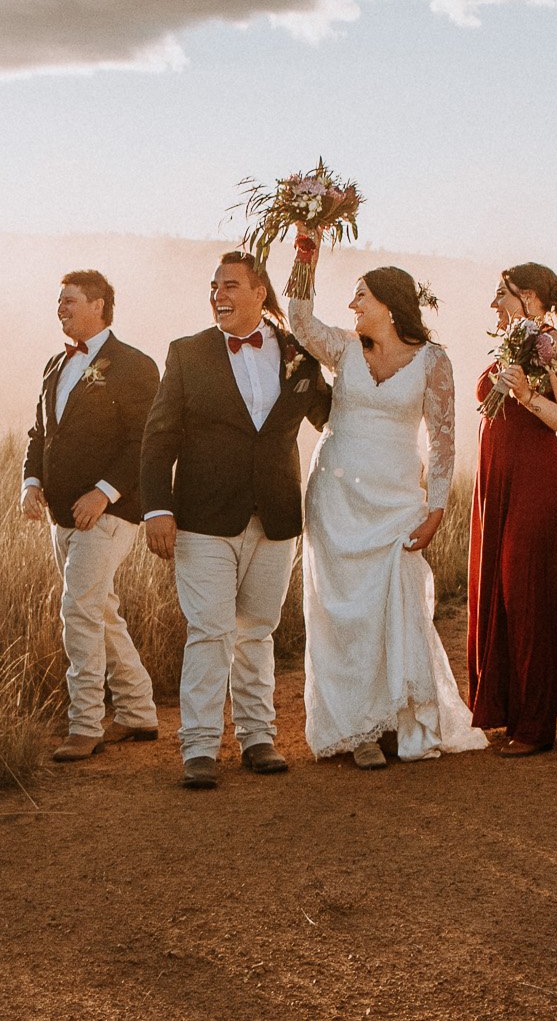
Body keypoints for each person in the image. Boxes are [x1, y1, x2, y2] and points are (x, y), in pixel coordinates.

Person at [285, 233, 486, 769]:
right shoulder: (344, 349)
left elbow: (443, 440)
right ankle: (354, 731)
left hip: (397, 501)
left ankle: (395, 718)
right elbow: (299, 320)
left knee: (391, 605)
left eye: (360, 297)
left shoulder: (433, 362)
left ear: (389, 306)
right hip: (335, 496)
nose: (352, 307)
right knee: (339, 612)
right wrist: (306, 248)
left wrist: (437, 508)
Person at [139, 250, 333, 789]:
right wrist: (157, 508)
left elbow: (329, 416)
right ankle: (199, 746)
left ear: (259, 293)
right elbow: (158, 439)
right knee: (210, 631)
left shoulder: (298, 353)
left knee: (259, 631)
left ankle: (257, 737)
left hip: (274, 515)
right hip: (202, 518)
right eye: (213, 287)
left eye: (229, 286)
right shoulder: (186, 353)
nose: (218, 295)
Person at [20, 269, 163, 762]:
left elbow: (143, 440)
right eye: (58, 300)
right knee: (99, 608)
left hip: (110, 512)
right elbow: (40, 434)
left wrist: (102, 494)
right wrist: (30, 482)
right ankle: (139, 712)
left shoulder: (134, 365)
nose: (60, 307)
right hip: (62, 514)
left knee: (78, 609)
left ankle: (85, 724)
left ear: (99, 305)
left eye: (70, 300)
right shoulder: (52, 367)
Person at [467, 263, 557, 756]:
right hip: (496, 485)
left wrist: (528, 395)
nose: (494, 303)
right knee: (496, 586)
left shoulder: (555, 346)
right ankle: (505, 707)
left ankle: (536, 722)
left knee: (527, 590)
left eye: (503, 294)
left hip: (536, 484)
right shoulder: (508, 343)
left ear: (531, 298)